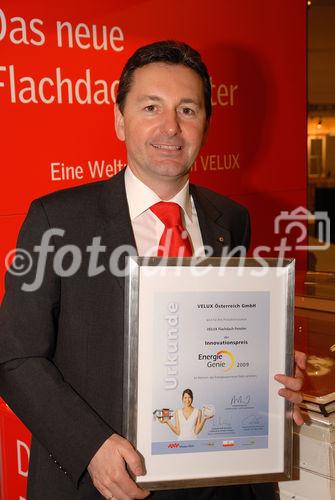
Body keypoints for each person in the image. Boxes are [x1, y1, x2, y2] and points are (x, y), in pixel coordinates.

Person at [0, 40, 305, 500]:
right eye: (151, 107)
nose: (171, 127)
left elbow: (227, 341)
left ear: (206, 123)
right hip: (102, 485)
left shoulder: (232, 220)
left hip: (218, 483)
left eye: (187, 109)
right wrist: (91, 447)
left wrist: (269, 369)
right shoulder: (57, 221)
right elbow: (14, 357)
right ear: (120, 119)